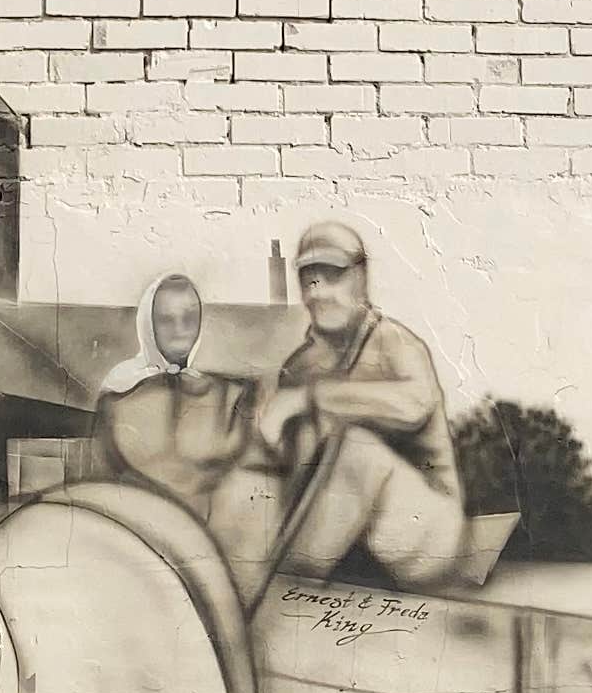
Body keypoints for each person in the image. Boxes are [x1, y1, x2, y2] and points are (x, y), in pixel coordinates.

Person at [249, 219, 474, 585]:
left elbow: (414, 403)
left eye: (332, 275)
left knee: (356, 449)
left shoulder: (394, 344)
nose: (319, 291)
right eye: (309, 279)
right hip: (347, 546)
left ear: (360, 277)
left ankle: (290, 586)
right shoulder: (301, 366)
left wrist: (311, 398)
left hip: (425, 534)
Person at [84, 273, 267, 545]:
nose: (180, 328)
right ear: (149, 325)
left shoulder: (207, 384)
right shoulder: (124, 383)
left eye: (189, 317)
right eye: (166, 319)